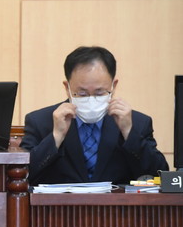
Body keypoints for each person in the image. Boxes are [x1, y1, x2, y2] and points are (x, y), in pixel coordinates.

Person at [21, 46, 169, 185]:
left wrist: (129, 133)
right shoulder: (40, 121)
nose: (91, 99)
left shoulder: (138, 122)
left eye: (99, 93)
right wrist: (56, 136)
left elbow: (159, 176)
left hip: (116, 204)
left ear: (114, 86)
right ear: (67, 87)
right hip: (60, 204)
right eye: (82, 93)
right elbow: (21, 176)